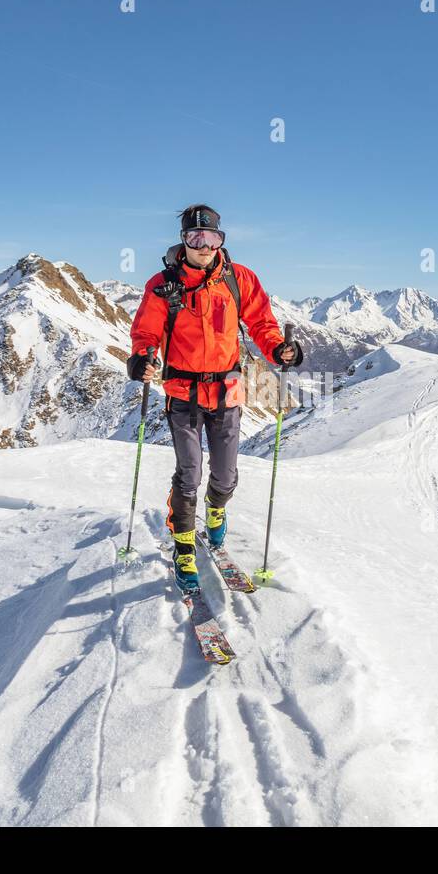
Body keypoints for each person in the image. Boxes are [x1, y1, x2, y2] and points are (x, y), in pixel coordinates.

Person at [127, 204, 303, 591]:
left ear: (221, 240)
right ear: (184, 241)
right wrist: (141, 359)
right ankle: (185, 544)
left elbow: (261, 323)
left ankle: (217, 511)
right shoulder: (163, 284)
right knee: (188, 473)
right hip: (182, 392)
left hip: (227, 391)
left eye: (212, 238)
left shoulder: (239, 279)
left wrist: (278, 351)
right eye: (195, 238)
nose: (204, 246)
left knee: (225, 474)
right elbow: (146, 332)